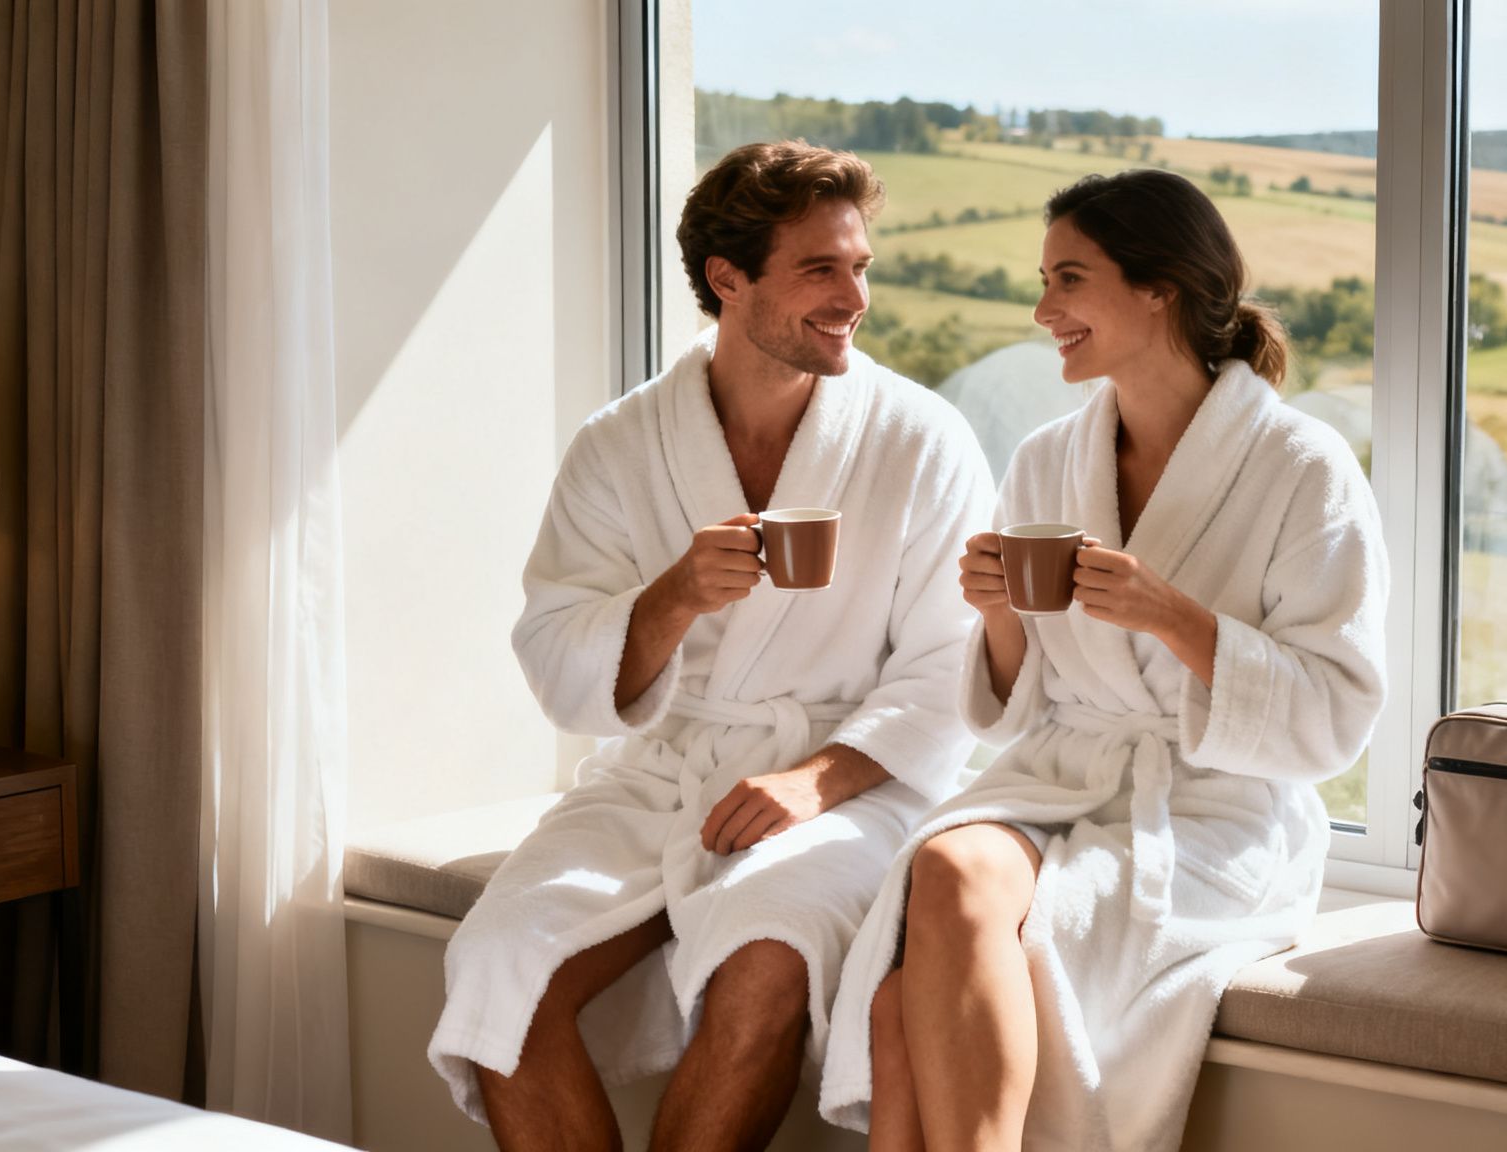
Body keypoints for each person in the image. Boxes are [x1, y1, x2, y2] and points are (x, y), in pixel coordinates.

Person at [428, 141, 995, 1152]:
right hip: (666, 767)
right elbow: (557, 649)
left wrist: (812, 781)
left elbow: (951, 666)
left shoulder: (921, 438)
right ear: (726, 280)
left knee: (767, 953)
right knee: (498, 964)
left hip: (854, 780)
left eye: (859, 265)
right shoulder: (620, 444)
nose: (851, 296)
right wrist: (673, 598)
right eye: (818, 269)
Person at [819, 168, 1390, 1151]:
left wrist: (1176, 619)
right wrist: (997, 614)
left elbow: (1335, 715)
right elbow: (1013, 701)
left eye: (1068, 280)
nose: (1043, 310)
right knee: (950, 868)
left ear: (1157, 286)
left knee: (895, 1013)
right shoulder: (1047, 457)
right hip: (1056, 783)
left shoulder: (1301, 468)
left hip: (1211, 815)